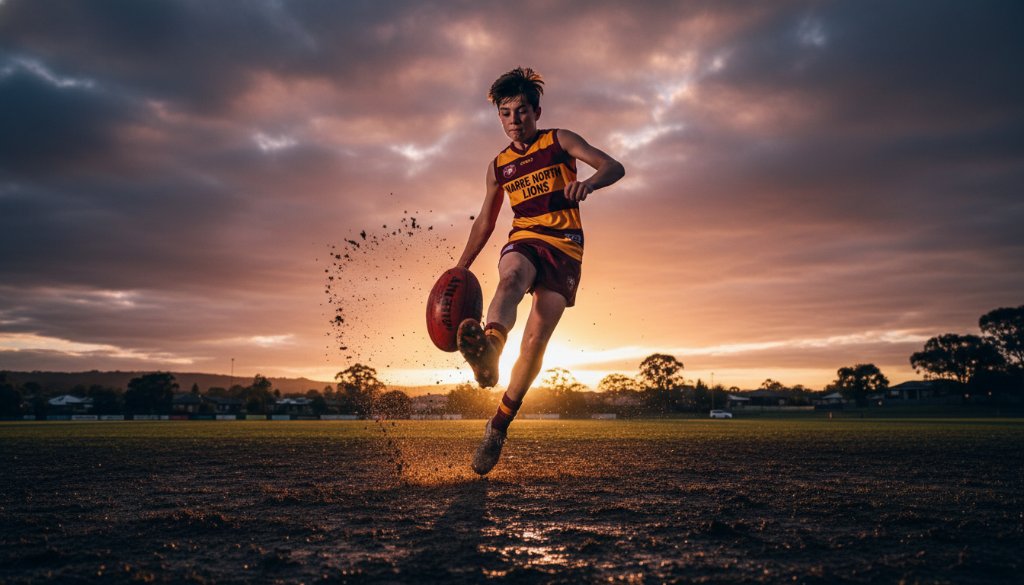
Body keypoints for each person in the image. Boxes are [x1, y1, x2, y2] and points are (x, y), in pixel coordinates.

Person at [455, 67, 625, 475]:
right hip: (526, 239)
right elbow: (485, 221)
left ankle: (498, 426)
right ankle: (490, 348)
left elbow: (613, 166)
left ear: (537, 111)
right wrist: (460, 266)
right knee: (510, 277)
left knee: (535, 342)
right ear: (499, 116)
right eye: (507, 113)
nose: (515, 120)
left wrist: (590, 184)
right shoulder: (498, 167)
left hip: (565, 248)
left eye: (523, 112)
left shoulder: (559, 140)